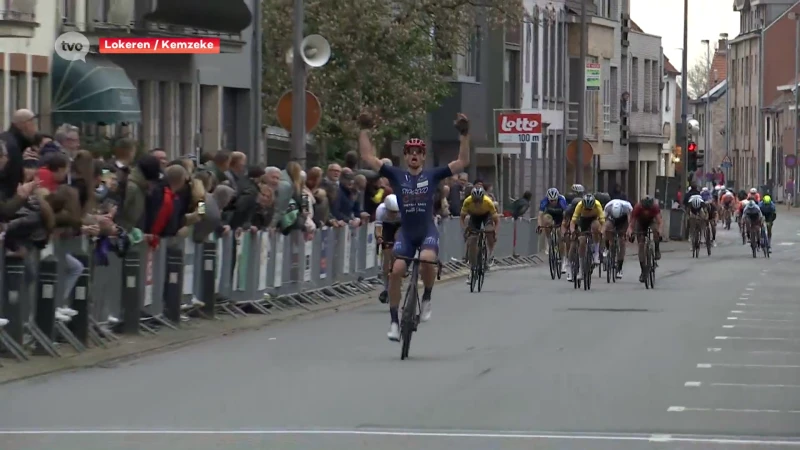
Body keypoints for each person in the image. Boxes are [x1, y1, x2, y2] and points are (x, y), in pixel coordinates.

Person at [358, 111, 470, 341]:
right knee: (396, 272)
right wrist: (363, 130)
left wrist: (464, 134)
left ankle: (427, 297)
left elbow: (462, 162)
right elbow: (368, 156)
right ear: (406, 156)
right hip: (407, 233)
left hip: (426, 230)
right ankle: (394, 322)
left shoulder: (432, 175)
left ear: (423, 156)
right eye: (410, 153)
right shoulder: (396, 175)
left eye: (419, 153)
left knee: (428, 259)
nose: (415, 156)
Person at [460, 185, 499, 284]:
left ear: (482, 199)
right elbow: (462, 218)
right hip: (474, 217)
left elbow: (497, 221)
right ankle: (473, 268)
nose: (477, 203)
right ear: (472, 199)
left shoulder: (488, 202)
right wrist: (465, 229)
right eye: (475, 201)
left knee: (489, 231)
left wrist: (495, 232)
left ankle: (490, 255)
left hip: (487, 216)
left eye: (479, 201)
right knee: (472, 238)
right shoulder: (467, 201)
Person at [569, 193, 605, 280]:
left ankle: (596, 253)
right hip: (583, 221)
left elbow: (603, 222)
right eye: (586, 209)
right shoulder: (580, 205)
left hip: (593, 219)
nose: (588, 210)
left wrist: (602, 232)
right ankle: (581, 270)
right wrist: (573, 231)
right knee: (581, 241)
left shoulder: (597, 205)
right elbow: (573, 222)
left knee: (596, 227)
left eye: (590, 209)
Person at [627, 196, 662, 283]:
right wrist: (630, 232)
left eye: (648, 209)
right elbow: (632, 224)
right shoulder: (638, 208)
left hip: (651, 221)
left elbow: (660, 222)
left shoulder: (655, 207)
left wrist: (659, 233)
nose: (646, 211)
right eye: (645, 209)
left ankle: (657, 249)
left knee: (655, 230)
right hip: (641, 223)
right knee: (641, 245)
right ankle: (643, 271)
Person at [375, 194, 401, 304]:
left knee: (398, 246)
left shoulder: (403, 211)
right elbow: (378, 228)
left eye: (396, 212)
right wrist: (379, 237)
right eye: (391, 212)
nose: (394, 214)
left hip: (400, 225)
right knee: (386, 259)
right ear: (386, 209)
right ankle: (386, 288)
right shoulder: (380, 210)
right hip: (386, 227)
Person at [537, 187, 568, 273]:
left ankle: (563, 261)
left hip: (560, 217)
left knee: (560, 235)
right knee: (546, 220)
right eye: (551, 201)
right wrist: (539, 226)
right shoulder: (544, 201)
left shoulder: (562, 201)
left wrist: (564, 227)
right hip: (550, 215)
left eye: (554, 200)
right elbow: (540, 215)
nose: (553, 202)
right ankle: (549, 241)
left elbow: (566, 216)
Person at [602, 197, 633, 278]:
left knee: (622, 241)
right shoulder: (608, 207)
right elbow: (603, 221)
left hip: (623, 220)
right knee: (607, 228)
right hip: (611, 219)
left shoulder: (628, 207)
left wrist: (628, 231)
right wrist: (603, 232)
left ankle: (619, 268)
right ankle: (607, 247)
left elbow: (630, 222)